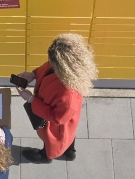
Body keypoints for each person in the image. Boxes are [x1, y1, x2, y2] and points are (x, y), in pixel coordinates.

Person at [16, 33, 98, 163]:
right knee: (70, 135)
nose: (50, 62)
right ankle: (70, 152)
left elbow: (57, 118)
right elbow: (46, 68)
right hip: (67, 120)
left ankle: (46, 156)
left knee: (54, 141)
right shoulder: (65, 66)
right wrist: (33, 74)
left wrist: (31, 99)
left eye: (53, 62)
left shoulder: (69, 93)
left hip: (56, 124)